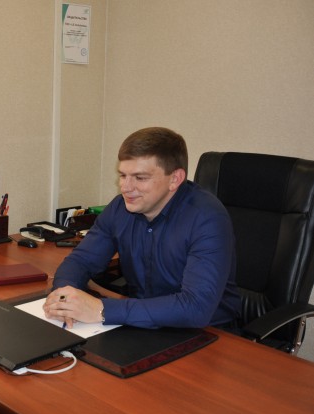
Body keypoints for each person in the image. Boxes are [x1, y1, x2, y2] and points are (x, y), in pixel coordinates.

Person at [44, 127, 240, 329]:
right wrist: (64, 298)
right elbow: (81, 261)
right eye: (123, 175)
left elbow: (195, 308)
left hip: (206, 333)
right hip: (139, 322)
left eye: (140, 178)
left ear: (175, 179)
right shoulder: (120, 208)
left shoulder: (207, 218)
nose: (125, 187)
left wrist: (102, 310)